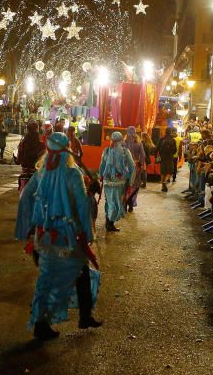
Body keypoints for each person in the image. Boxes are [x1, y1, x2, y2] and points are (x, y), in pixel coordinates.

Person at [15, 132, 101, 340]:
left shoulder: (42, 172)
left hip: (44, 236)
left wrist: (27, 226)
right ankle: (75, 317)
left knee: (50, 277)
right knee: (77, 273)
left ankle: (65, 318)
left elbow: (25, 195)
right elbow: (81, 206)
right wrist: (87, 233)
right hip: (66, 236)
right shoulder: (72, 174)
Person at [99, 131, 136, 232]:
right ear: (121, 140)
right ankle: (110, 223)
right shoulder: (125, 151)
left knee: (109, 201)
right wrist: (131, 181)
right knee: (117, 202)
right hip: (120, 183)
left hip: (107, 182)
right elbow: (132, 167)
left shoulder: (106, 151)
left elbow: (102, 165)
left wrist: (101, 176)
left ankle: (108, 222)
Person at [122, 126, 146, 212]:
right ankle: (130, 203)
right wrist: (141, 165)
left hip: (125, 168)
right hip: (136, 168)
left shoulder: (123, 143)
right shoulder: (139, 143)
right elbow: (143, 155)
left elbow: (120, 155)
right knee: (135, 186)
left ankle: (125, 203)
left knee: (125, 186)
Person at [157, 126, 178, 192]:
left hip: (162, 157)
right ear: (171, 132)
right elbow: (175, 150)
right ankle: (165, 182)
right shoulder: (173, 140)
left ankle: (162, 186)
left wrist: (156, 156)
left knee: (163, 171)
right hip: (170, 157)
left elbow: (157, 148)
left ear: (165, 132)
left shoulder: (161, 139)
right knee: (170, 171)